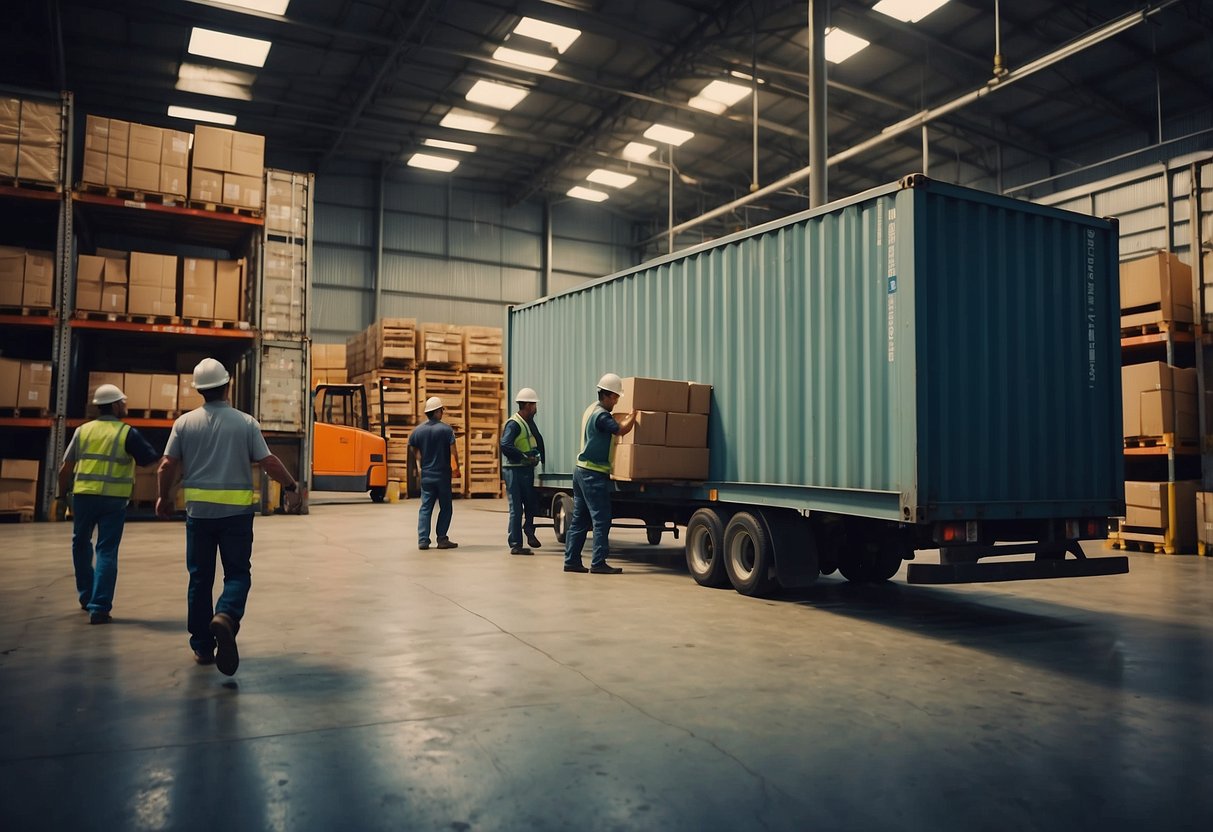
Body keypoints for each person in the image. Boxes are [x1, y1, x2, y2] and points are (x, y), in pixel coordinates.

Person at [157, 358, 301, 675]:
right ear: (227, 386)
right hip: (236, 516)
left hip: (199, 516)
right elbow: (269, 461)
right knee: (237, 574)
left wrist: (163, 497)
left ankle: (202, 646)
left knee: (199, 579)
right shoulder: (245, 423)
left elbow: (166, 465)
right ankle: (226, 614)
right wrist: (290, 485)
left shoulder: (184, 424)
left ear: (199, 390)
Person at [57, 383, 161, 624]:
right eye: (123, 402)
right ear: (115, 405)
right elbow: (149, 460)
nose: (125, 406)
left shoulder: (83, 431)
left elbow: (66, 468)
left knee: (80, 543)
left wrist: (61, 497)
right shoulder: (126, 433)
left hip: (83, 497)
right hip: (113, 499)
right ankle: (100, 606)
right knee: (106, 549)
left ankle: (85, 596)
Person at [563, 373, 636, 574]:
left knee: (580, 519)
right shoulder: (602, 415)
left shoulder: (590, 410)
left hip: (580, 470)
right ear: (608, 395)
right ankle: (598, 563)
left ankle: (571, 561)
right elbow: (620, 430)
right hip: (592, 473)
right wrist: (634, 416)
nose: (617, 401)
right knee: (601, 518)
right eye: (616, 397)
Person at [409, 396, 459, 551]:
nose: (442, 413)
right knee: (446, 507)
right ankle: (442, 539)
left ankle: (423, 540)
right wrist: (457, 470)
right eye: (441, 410)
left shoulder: (417, 431)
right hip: (443, 475)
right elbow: (453, 453)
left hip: (427, 476)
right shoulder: (446, 430)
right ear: (437, 411)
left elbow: (413, 449)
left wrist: (419, 464)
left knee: (425, 507)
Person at [500, 387, 545, 555]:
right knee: (517, 508)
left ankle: (529, 530)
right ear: (527, 405)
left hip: (525, 470)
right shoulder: (514, 424)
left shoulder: (527, 423)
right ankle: (516, 544)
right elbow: (505, 445)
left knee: (531, 504)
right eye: (534, 405)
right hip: (515, 471)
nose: (536, 408)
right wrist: (524, 457)